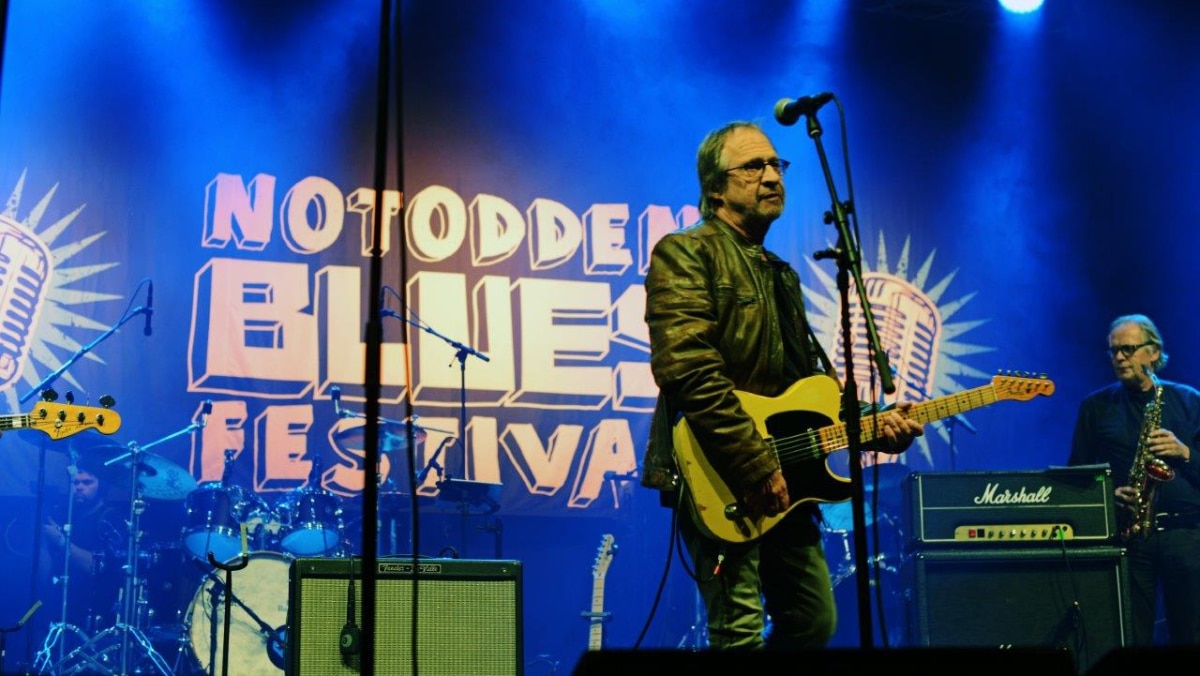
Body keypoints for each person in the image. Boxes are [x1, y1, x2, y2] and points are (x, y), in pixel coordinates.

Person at [640, 120, 924, 649]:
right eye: (753, 166)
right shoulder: (686, 253)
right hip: (723, 468)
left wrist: (872, 425)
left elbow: (808, 389)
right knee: (740, 630)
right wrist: (753, 461)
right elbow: (688, 368)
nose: (772, 176)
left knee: (814, 620)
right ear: (715, 188)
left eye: (777, 165)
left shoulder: (779, 272)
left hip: (788, 475)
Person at [1068, 314, 1200, 645]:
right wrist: (1107, 494)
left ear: (1153, 352)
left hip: (1184, 536)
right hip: (1129, 536)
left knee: (1190, 633)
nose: (1119, 358)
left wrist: (1184, 452)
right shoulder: (1095, 407)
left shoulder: (1189, 400)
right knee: (1130, 636)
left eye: (1127, 349)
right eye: (1113, 352)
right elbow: (1075, 476)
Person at [42, 458, 127, 632]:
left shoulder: (109, 518)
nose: (79, 487)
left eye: (87, 482)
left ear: (101, 486)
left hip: (94, 611)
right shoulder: (64, 514)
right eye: (76, 482)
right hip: (59, 606)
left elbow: (95, 566)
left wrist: (60, 541)